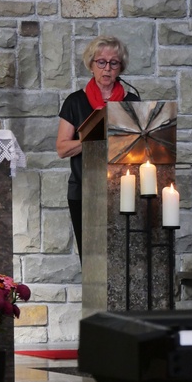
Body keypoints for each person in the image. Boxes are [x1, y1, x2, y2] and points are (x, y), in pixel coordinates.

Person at [56, 36, 140, 263]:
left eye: (114, 63)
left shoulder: (131, 101)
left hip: (123, 192)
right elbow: (62, 148)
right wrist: (94, 141)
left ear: (120, 68)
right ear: (91, 65)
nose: (107, 68)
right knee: (92, 260)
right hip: (84, 191)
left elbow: (140, 146)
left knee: (122, 259)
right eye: (101, 62)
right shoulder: (75, 102)